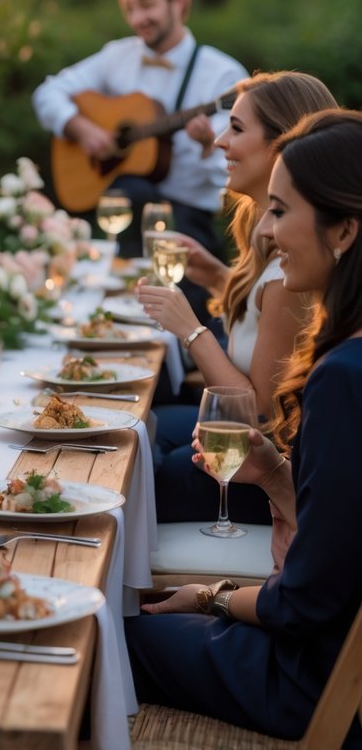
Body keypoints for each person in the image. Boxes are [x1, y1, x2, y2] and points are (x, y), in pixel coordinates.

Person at [125, 109, 362, 746]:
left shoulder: (344, 377)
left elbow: (306, 603)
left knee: (107, 633)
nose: (267, 229)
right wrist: (280, 479)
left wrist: (209, 596)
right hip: (319, 651)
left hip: (309, 682)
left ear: (344, 229)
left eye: (282, 212)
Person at [137, 71, 337, 524]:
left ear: (283, 145)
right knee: (140, 427)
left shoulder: (293, 275)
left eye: (238, 129)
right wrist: (218, 276)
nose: (221, 142)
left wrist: (190, 331)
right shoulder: (272, 245)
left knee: (129, 462)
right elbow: (264, 323)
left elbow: (258, 414)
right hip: (252, 458)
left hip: (261, 477)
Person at [32, 0, 247, 276]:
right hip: (117, 214)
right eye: (130, 8)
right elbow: (47, 93)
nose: (137, 18)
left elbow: (234, 172)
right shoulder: (117, 55)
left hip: (185, 222)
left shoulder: (223, 74)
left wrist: (206, 146)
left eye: (146, 5)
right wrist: (82, 129)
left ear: (179, 3)